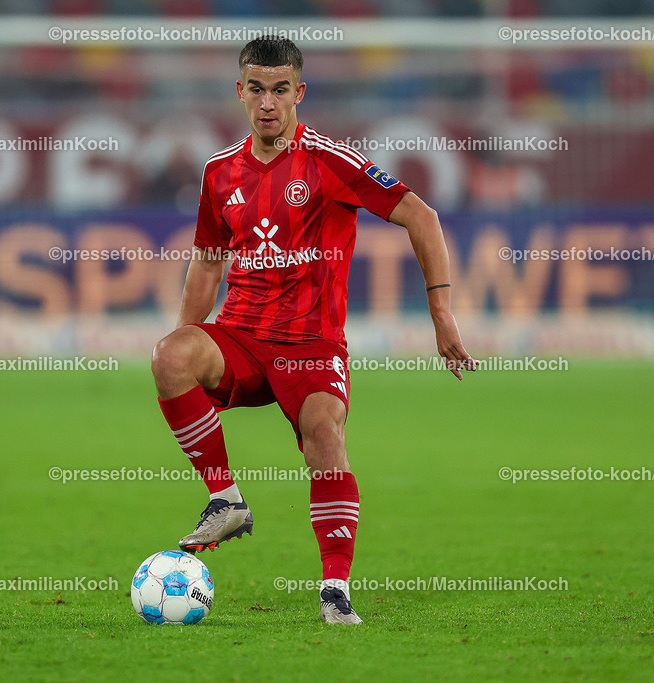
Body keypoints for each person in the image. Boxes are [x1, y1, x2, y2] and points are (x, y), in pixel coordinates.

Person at [151, 36, 475, 625]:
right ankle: (225, 501)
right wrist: (188, 345)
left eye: (280, 90)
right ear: (240, 93)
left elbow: (421, 216)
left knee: (325, 434)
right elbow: (206, 260)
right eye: (256, 89)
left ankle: (334, 591)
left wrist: (441, 313)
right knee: (169, 356)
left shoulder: (330, 162)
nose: (267, 102)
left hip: (310, 344)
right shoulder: (220, 172)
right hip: (243, 335)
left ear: (299, 92)